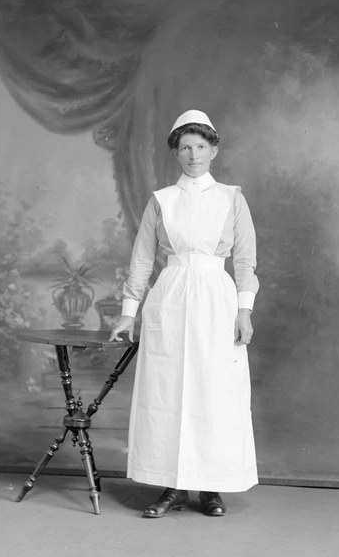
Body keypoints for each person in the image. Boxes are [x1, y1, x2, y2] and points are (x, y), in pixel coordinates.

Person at [110, 109, 259, 518]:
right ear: (176, 153)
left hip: (217, 299)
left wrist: (244, 311)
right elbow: (142, 260)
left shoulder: (232, 198)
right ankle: (172, 487)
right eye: (185, 148)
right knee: (169, 392)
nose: (193, 155)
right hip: (171, 300)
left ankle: (211, 488)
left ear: (213, 150)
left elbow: (245, 262)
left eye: (201, 146)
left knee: (214, 393)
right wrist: (128, 313)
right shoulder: (162, 201)